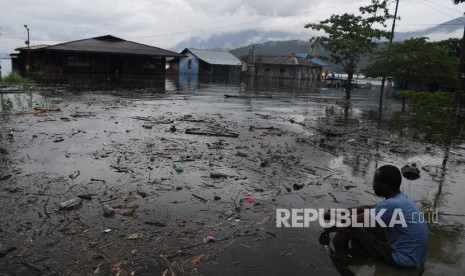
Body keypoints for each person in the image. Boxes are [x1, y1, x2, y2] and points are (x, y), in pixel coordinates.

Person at [321, 165, 429, 269]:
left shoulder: (390, 205)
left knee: (351, 226)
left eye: (375, 181)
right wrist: (336, 212)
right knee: (368, 221)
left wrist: (331, 215)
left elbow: (351, 221)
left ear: (385, 186)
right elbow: (368, 208)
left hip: (403, 259)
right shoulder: (401, 199)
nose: (373, 184)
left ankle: (339, 258)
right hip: (416, 257)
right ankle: (359, 251)